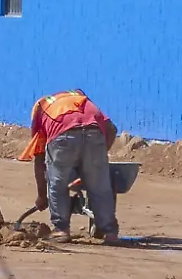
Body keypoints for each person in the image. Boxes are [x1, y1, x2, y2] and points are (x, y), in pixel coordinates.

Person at [19, 89, 119, 243]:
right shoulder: (84, 100)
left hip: (63, 137)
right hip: (94, 133)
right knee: (100, 186)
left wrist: (41, 196)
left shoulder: (42, 107)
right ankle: (110, 233)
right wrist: (96, 160)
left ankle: (61, 230)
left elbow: (40, 158)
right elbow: (111, 129)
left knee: (57, 183)